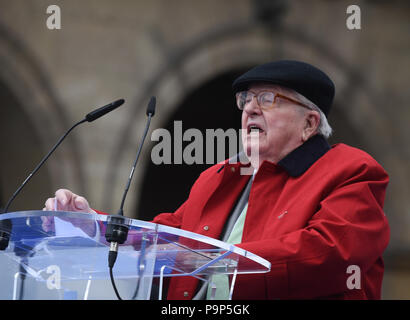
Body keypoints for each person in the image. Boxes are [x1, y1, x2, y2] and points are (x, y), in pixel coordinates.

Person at [43, 60, 390, 300]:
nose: (250, 109)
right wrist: (95, 226)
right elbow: (167, 234)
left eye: (268, 99)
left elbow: (329, 254)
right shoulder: (220, 177)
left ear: (309, 124)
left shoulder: (352, 171)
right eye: (246, 99)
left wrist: (218, 259)